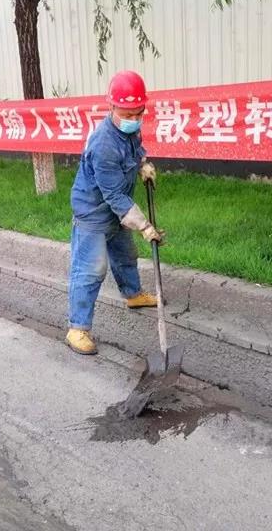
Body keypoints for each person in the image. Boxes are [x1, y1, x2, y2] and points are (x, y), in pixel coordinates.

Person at [66, 70, 164, 355]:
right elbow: (113, 196)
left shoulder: (129, 130)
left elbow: (135, 149)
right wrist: (145, 226)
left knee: (125, 254)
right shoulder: (104, 144)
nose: (133, 118)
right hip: (94, 211)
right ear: (111, 107)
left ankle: (133, 294)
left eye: (138, 113)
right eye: (127, 114)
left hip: (116, 211)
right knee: (91, 269)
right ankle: (77, 328)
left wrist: (143, 164)